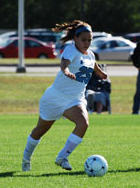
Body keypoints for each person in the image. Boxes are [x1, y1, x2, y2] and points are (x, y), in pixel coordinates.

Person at [21, 20, 107, 172]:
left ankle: (62, 157)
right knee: (40, 130)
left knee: (83, 123)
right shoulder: (71, 50)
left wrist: (100, 72)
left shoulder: (91, 55)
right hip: (55, 98)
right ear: (75, 39)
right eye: (83, 40)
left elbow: (93, 64)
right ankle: (26, 158)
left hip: (75, 99)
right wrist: (66, 71)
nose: (86, 43)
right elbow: (64, 63)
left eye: (89, 40)